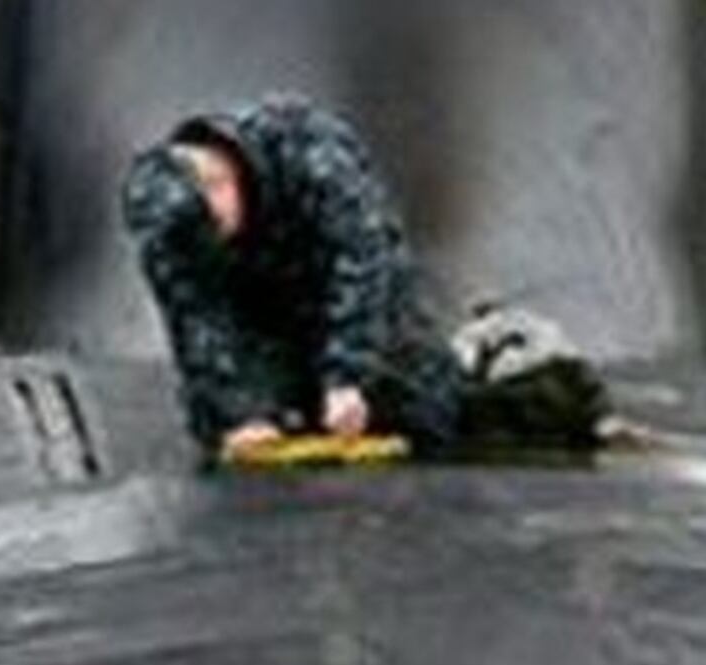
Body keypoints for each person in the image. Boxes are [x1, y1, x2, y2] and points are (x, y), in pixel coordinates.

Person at [118, 99, 464, 463]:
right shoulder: (169, 225)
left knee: (416, 404)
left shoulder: (311, 154)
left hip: (344, 300)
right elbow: (195, 321)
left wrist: (347, 376)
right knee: (223, 425)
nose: (208, 246)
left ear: (219, 184)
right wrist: (242, 412)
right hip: (259, 317)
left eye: (211, 230)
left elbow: (362, 264)